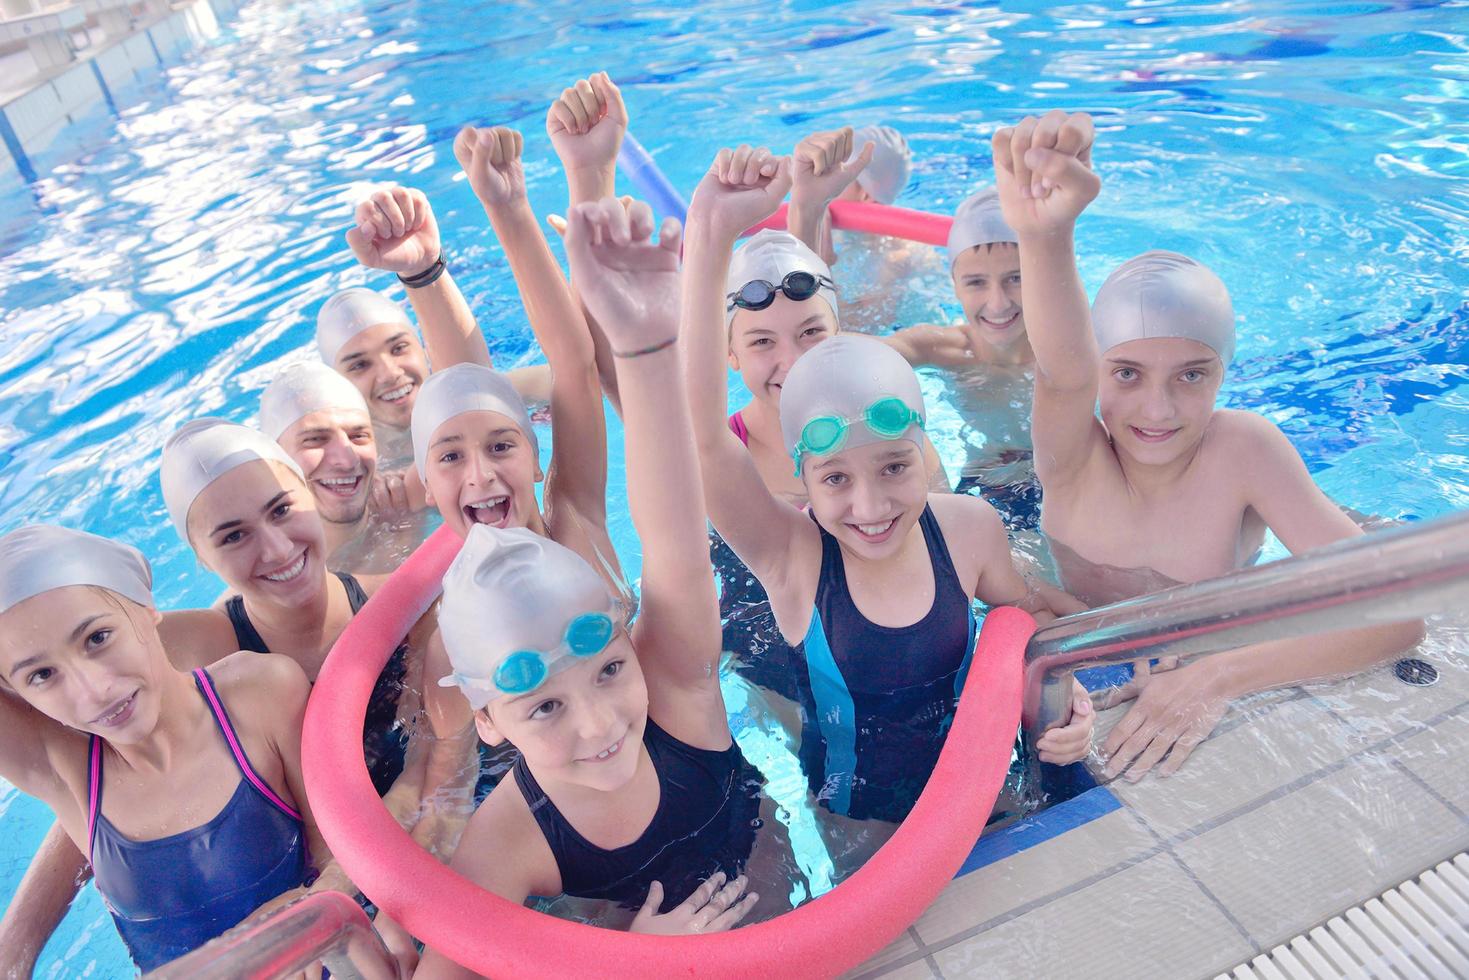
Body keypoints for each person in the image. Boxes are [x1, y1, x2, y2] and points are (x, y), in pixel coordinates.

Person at [994, 108, 1424, 780]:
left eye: (1191, 376)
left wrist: (1217, 678)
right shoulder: (1074, 454)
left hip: (1202, 649)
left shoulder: (1241, 451)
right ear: (1098, 371)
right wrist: (1045, 237)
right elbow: (1060, 370)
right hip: (1087, 641)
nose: (1157, 410)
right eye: (1127, 375)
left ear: (1225, 372)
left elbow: (1394, 616)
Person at [682, 145, 1095, 827]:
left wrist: (1072, 690)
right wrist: (708, 232)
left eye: (895, 469)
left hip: (991, 780)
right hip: (860, 827)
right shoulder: (792, 556)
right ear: (803, 479)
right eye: (835, 478)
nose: (869, 506)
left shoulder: (965, 526)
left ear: (920, 449)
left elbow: (1035, 618)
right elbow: (698, 433)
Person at [413, 198, 762, 979]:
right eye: (542, 704)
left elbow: (674, 535)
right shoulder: (503, 844)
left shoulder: (676, 689)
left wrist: (642, 349)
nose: (601, 721)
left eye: (609, 667)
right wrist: (630, 964)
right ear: (488, 721)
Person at [0, 526, 353, 971]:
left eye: (97, 638)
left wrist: (295, 920)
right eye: (41, 675)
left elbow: (340, 851)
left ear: (148, 608)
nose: (94, 692)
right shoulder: (59, 768)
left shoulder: (262, 695)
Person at [324, 184, 552, 463]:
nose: (390, 373)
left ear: (424, 349)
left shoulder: (501, 392)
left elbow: (585, 376)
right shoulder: (353, 469)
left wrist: (422, 269)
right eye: (360, 365)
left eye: (399, 348)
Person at [880, 188, 1040, 529]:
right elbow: (837, 357)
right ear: (954, 285)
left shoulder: (1074, 350)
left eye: (1016, 278)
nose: (998, 303)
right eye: (977, 283)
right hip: (989, 485)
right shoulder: (942, 350)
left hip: (1073, 481)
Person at [260, 360, 429, 574]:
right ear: (274, 458)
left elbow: (468, 395)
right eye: (316, 439)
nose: (348, 460)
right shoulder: (268, 575)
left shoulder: (400, 498)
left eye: (358, 436)